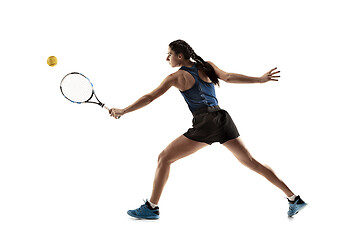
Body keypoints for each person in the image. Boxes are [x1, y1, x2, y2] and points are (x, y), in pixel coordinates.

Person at [109, 39, 307, 219]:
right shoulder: (207, 66)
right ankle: (293, 198)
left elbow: (149, 98)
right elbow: (228, 77)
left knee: (164, 157)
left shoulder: (175, 77)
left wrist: (123, 110)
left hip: (206, 123)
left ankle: (151, 207)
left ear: (179, 56)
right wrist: (259, 79)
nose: (166, 57)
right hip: (222, 118)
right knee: (251, 162)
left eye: (169, 53)